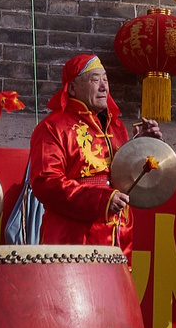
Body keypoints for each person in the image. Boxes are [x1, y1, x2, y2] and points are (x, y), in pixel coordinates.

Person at [29, 52, 159, 248]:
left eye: (105, 80)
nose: (103, 87)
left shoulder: (116, 127)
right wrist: (101, 200)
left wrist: (142, 147)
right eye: (95, 80)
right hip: (72, 237)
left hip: (118, 233)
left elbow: (126, 177)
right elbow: (46, 183)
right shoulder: (53, 127)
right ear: (72, 88)